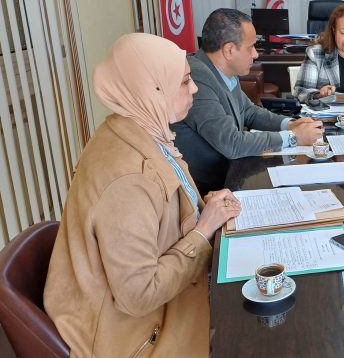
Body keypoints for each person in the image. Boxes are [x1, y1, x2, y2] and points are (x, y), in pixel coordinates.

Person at [44, 33, 241, 356]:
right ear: (153, 89)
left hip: (166, 305)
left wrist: (199, 209)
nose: (194, 89)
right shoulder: (128, 178)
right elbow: (139, 295)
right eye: (184, 82)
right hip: (138, 335)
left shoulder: (138, 130)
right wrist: (203, 229)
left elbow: (159, 215)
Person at [172, 8, 324, 194]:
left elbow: (249, 112)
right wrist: (294, 137)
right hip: (206, 190)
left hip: (231, 174)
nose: (256, 54)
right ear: (229, 50)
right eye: (250, 47)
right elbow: (232, 143)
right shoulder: (197, 78)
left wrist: (290, 125)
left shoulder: (224, 70)